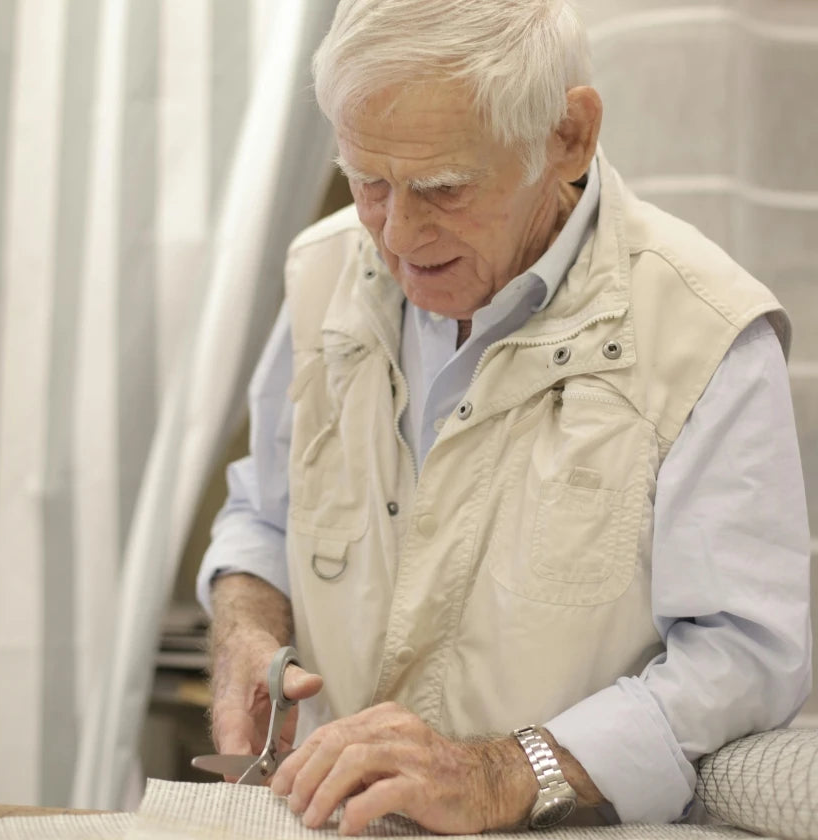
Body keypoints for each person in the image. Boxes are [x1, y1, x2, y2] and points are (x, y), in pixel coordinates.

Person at [197, 0, 812, 833]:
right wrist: (242, 631)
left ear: (568, 138)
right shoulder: (326, 269)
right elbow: (265, 513)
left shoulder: (701, 329)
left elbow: (748, 659)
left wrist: (503, 772)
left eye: (443, 189)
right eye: (368, 182)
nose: (398, 236)